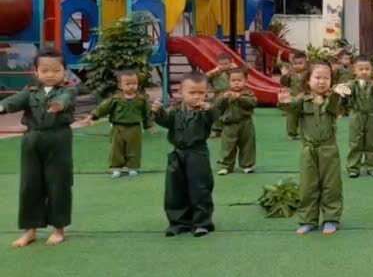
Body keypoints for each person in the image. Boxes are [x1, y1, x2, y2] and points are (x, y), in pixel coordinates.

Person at [0, 47, 76, 248]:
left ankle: (58, 229)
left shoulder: (68, 89)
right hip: (32, 140)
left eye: (56, 70)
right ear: (35, 71)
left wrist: (58, 106)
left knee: (58, 183)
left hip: (58, 139)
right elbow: (15, 100)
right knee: (29, 184)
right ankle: (30, 230)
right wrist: (2, 106)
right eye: (45, 70)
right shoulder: (31, 91)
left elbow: (64, 100)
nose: (50, 75)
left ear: (64, 70)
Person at [277, 60, 347, 235]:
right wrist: (284, 102)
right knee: (308, 186)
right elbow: (291, 108)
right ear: (308, 80)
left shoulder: (332, 99)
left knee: (331, 186)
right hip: (308, 151)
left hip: (329, 150)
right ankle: (308, 220)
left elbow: (333, 107)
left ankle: (331, 218)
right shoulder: (302, 100)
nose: (322, 81)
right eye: (317, 77)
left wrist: (337, 94)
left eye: (326, 78)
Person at [153, 73, 218, 237]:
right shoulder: (176, 111)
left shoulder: (205, 111)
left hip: (197, 153)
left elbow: (216, 117)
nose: (197, 96)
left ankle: (201, 223)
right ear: (181, 93)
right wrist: (158, 112)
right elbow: (166, 121)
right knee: (174, 189)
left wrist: (209, 109)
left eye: (201, 93)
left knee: (200, 188)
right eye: (192, 92)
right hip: (178, 153)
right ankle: (178, 223)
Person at [82, 69, 152, 178]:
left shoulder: (141, 99)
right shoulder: (115, 99)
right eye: (128, 84)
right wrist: (92, 116)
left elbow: (146, 113)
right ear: (120, 85)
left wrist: (148, 125)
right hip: (118, 128)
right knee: (116, 149)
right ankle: (116, 168)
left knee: (134, 148)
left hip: (135, 128)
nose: (132, 86)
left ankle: (133, 167)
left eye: (134, 83)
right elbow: (103, 108)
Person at [213, 67, 258, 175]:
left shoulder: (248, 93)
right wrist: (224, 98)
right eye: (233, 81)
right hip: (229, 124)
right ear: (229, 82)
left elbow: (253, 102)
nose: (236, 83)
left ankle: (247, 165)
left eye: (239, 80)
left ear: (245, 81)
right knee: (228, 146)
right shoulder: (224, 94)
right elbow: (217, 105)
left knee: (247, 145)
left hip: (245, 123)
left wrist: (239, 97)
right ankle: (226, 166)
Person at [345, 58, 373, 178]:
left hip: (372, 115)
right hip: (356, 115)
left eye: (367, 69)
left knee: (372, 141)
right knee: (355, 141)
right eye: (361, 69)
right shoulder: (352, 84)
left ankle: (372, 166)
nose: (364, 72)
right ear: (354, 71)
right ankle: (353, 167)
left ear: (371, 70)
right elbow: (346, 89)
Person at [279, 52, 308, 140]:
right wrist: (284, 75)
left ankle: (305, 133)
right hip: (293, 98)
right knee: (291, 116)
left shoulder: (308, 73)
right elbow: (284, 83)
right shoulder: (290, 73)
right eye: (295, 64)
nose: (297, 66)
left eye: (300, 63)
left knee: (306, 116)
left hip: (305, 97)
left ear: (306, 63)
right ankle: (292, 133)